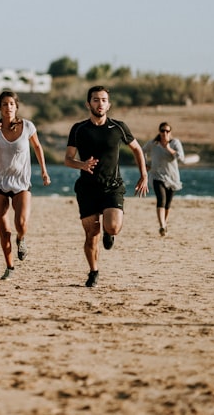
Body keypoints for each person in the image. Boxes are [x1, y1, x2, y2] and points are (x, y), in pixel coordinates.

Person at [64, 86, 148, 287]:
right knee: (91, 235)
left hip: (112, 186)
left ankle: (109, 234)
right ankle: (93, 272)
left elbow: (137, 149)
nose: (100, 103)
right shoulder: (78, 129)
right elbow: (68, 159)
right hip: (87, 188)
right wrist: (81, 165)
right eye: (95, 100)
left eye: (103, 100)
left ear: (108, 105)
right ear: (88, 103)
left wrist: (144, 174)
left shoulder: (118, 128)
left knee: (112, 226)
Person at [0, 91, 51, 280]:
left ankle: (21, 239)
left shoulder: (27, 126)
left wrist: (44, 171)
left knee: (20, 224)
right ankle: (9, 267)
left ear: (16, 106)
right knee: (4, 232)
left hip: (21, 183)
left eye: (11, 104)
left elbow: (37, 147)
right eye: (4, 104)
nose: (8, 107)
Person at [143, 121, 185, 237]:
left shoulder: (175, 143)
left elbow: (181, 158)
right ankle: (162, 225)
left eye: (167, 131)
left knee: (168, 203)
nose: (165, 133)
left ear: (170, 132)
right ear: (159, 132)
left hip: (172, 177)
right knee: (161, 199)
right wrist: (145, 164)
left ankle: (164, 223)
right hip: (157, 176)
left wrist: (168, 148)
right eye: (162, 130)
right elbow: (142, 151)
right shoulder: (153, 143)